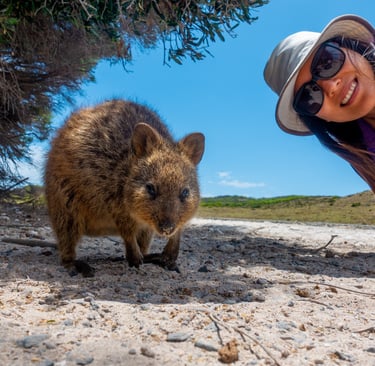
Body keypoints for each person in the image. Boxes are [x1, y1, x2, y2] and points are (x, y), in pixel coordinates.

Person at [264, 14, 375, 191]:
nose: (331, 86)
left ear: (348, 46)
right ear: (321, 118)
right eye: (308, 97)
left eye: (327, 61)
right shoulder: (363, 157)